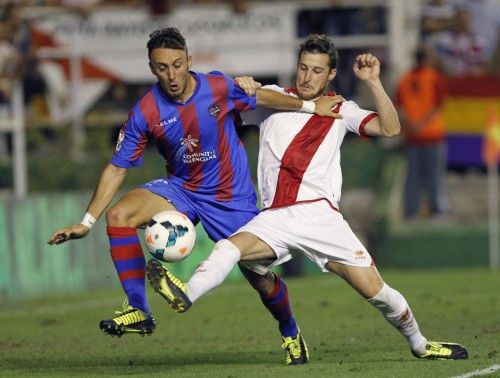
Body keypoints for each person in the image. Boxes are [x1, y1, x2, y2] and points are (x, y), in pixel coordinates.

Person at [146, 34, 469, 362]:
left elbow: (390, 128)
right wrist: (235, 82)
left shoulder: (342, 109)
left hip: (320, 218)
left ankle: (420, 343)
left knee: (378, 293)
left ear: (330, 75)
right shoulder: (273, 98)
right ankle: (185, 294)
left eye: (316, 71)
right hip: (274, 217)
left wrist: (373, 82)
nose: (306, 76)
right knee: (229, 248)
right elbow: (217, 96)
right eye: (303, 68)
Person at [47, 27, 341, 364]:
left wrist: (308, 106)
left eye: (176, 65)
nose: (171, 75)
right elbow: (117, 168)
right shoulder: (145, 111)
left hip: (232, 199)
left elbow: (260, 98)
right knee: (118, 216)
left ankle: (290, 331)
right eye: (161, 68)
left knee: (259, 278)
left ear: (189, 60)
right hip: (181, 190)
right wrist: (86, 222)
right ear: (151, 68)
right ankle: (138, 310)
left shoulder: (217, 87)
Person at [395, 46, 448, 220]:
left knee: (414, 175)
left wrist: (411, 125)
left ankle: (412, 210)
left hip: (413, 134)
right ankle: (437, 210)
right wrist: (420, 124)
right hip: (431, 133)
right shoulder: (434, 77)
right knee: (433, 175)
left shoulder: (404, 79)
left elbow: (399, 107)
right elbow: (438, 106)